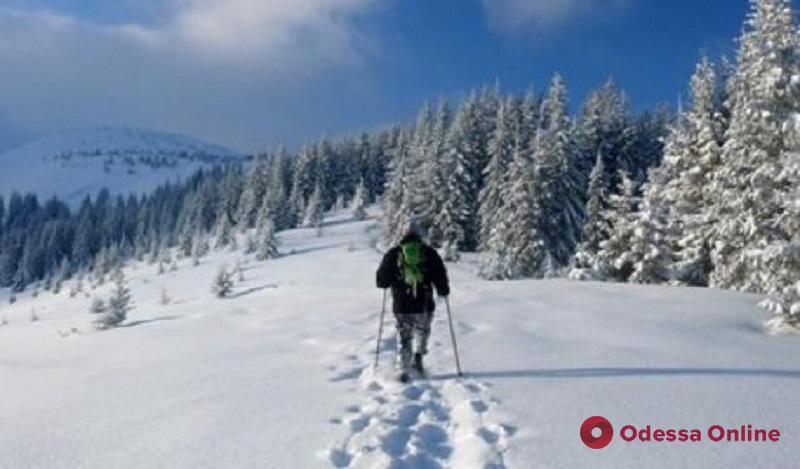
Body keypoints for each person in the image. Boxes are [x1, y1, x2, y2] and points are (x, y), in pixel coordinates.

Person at [376, 222, 450, 376]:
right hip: (424, 302)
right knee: (423, 331)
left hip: (401, 303)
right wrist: (443, 290)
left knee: (404, 334)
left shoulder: (393, 254)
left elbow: (381, 281)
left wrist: (389, 281)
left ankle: (404, 367)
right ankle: (418, 356)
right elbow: (440, 277)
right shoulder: (429, 253)